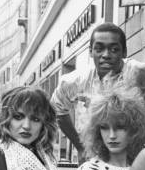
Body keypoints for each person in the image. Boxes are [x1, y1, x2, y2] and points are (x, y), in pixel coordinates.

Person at [50, 23, 133, 162]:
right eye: (99, 49)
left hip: (131, 154)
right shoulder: (75, 81)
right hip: (93, 156)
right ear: (90, 51)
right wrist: (81, 146)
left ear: (124, 52)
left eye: (114, 49)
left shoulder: (140, 75)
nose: (106, 55)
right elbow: (56, 108)